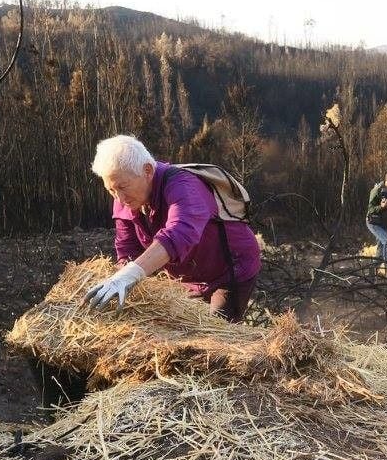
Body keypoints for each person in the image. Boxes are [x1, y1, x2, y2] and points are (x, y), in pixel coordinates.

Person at [83, 135, 262, 323]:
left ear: (147, 170)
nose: (118, 198)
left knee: (215, 333)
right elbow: (128, 251)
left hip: (230, 269)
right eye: (111, 190)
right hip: (190, 279)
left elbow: (178, 235)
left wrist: (130, 275)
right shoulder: (125, 200)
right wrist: (118, 279)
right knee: (184, 331)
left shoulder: (184, 186)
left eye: (122, 187)